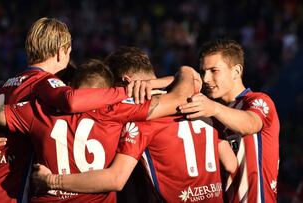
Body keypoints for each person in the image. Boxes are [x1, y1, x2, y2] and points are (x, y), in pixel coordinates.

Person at [0, 17, 128, 203]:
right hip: (6, 195)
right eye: (69, 53)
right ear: (60, 52)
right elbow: (73, 101)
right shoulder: (46, 86)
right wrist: (126, 92)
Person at [0, 58, 197, 202]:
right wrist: (183, 70)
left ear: (71, 88)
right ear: (108, 90)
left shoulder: (39, 111)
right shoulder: (117, 110)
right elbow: (180, 96)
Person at [31, 47, 238, 203]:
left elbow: (116, 178)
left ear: (126, 81)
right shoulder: (199, 102)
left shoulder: (140, 120)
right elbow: (230, 164)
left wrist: (52, 181)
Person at [179, 39, 280, 203]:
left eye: (214, 71)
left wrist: (214, 109)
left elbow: (250, 124)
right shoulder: (211, 112)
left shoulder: (258, 101)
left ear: (236, 71)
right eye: (203, 71)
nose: (206, 78)